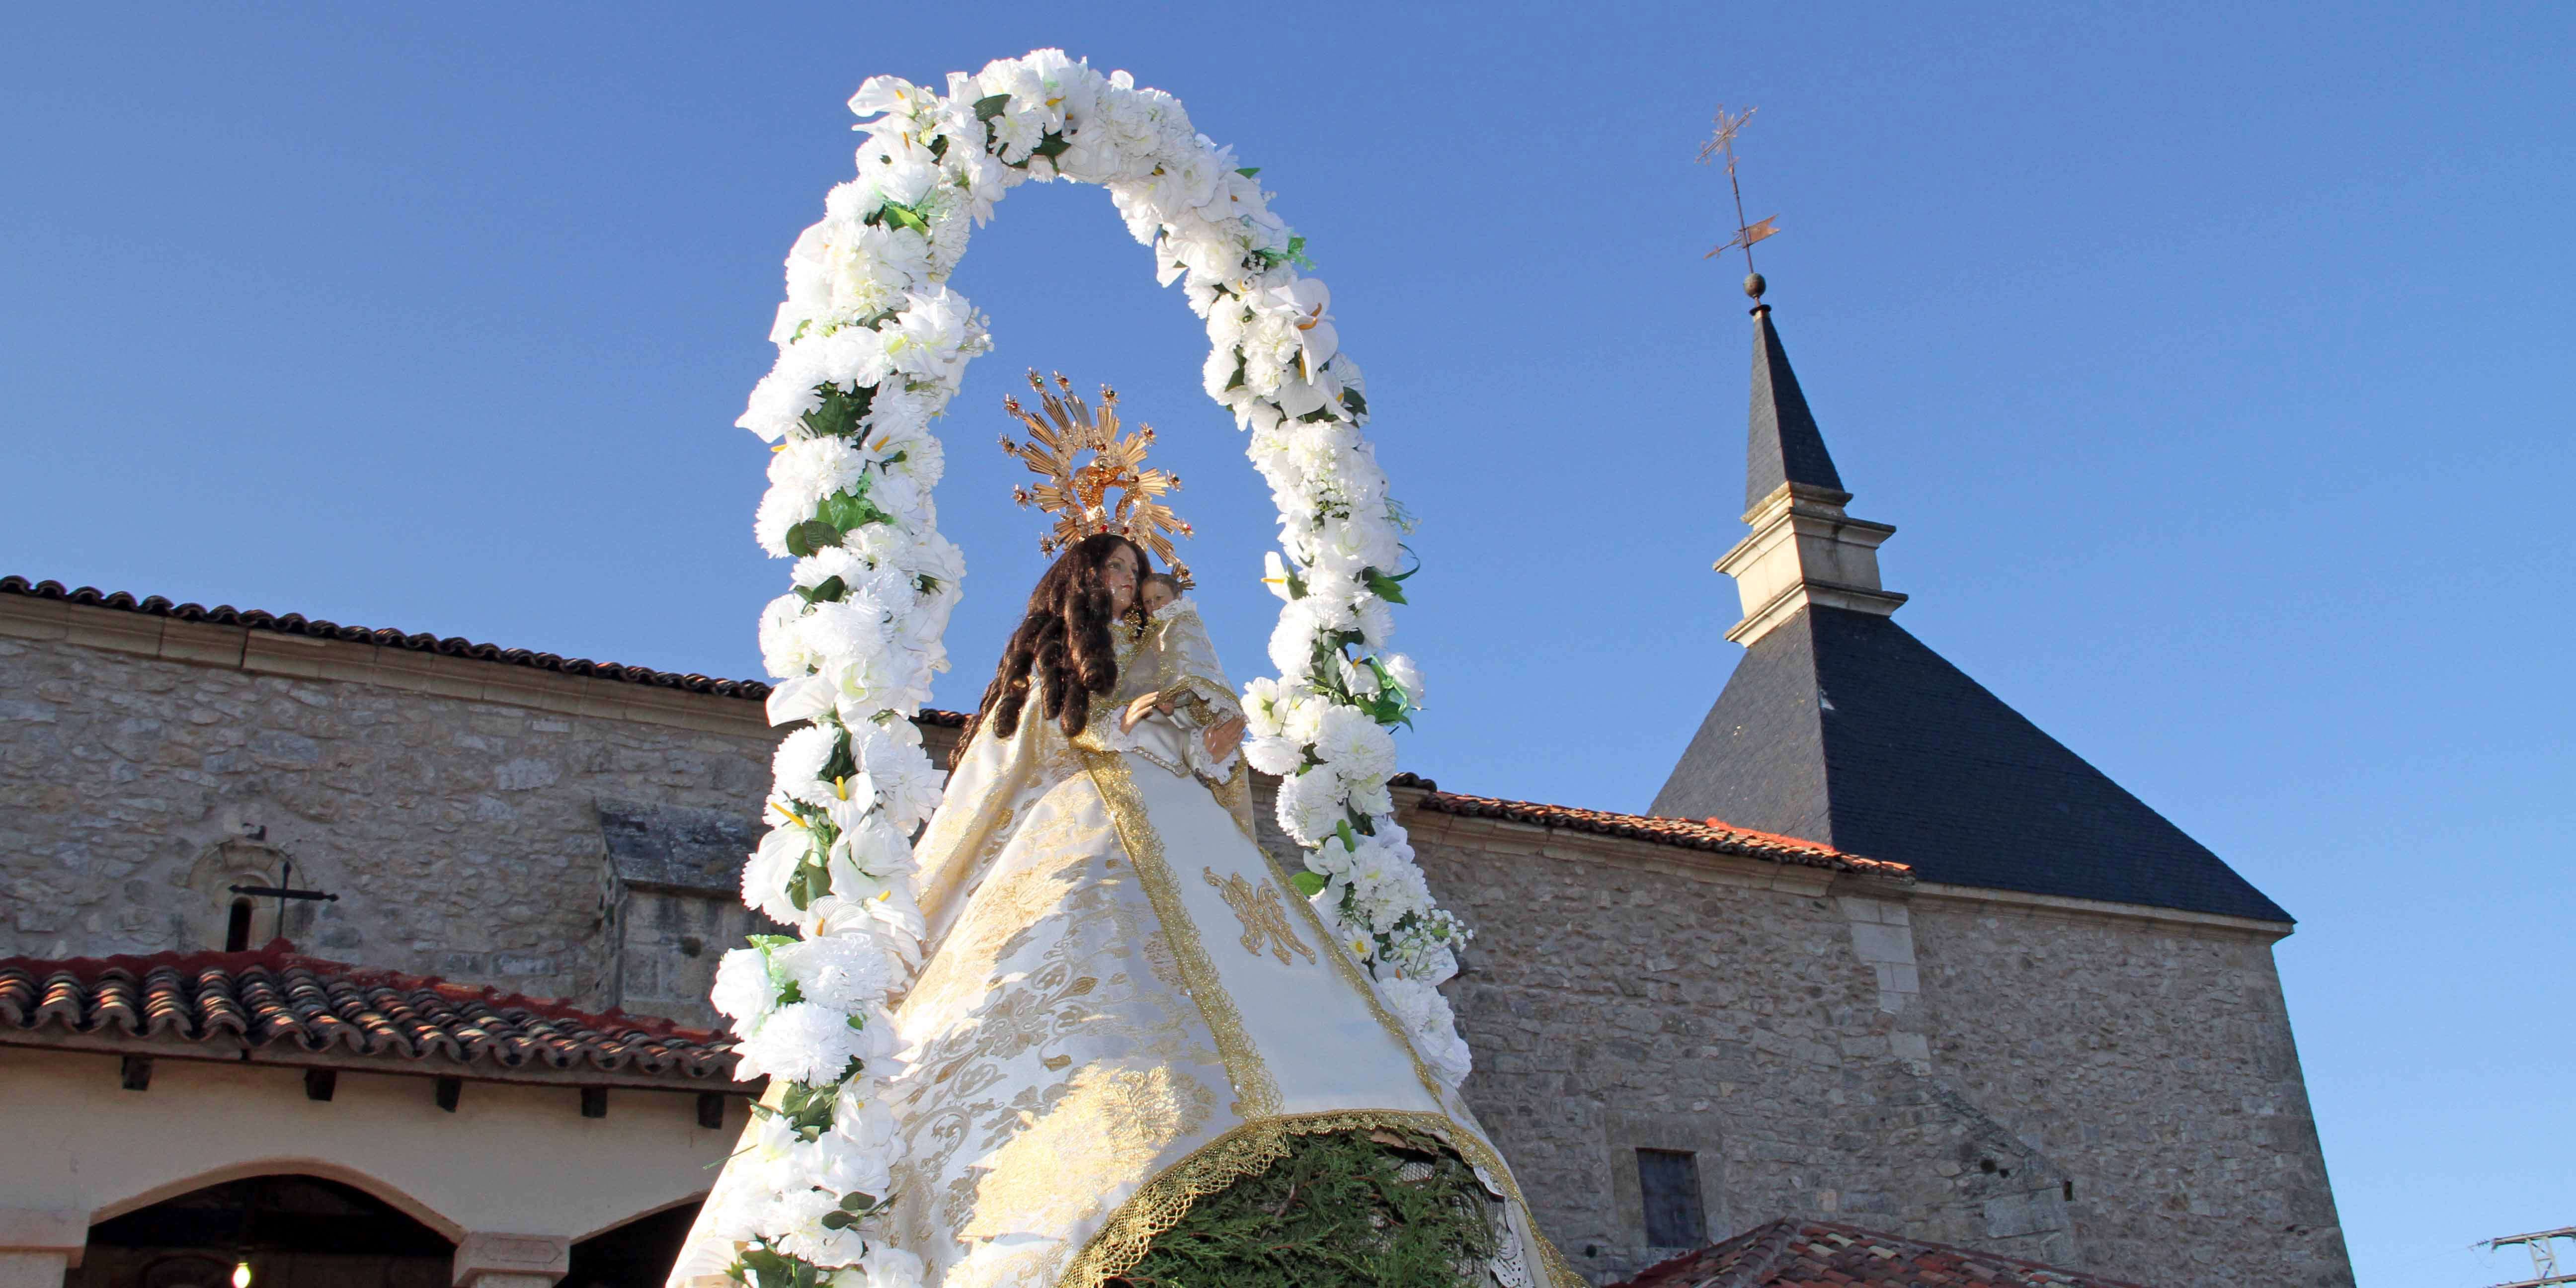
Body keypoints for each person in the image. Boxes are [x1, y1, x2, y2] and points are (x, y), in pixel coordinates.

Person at [872, 533, 1572, 1288]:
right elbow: (1025, 747)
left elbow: (1201, 741)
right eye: (1114, 568)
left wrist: (1199, 710)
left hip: (1183, 828)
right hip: (1085, 831)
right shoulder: (1052, 655)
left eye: (1136, 571)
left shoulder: (1158, 643)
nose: (1127, 581)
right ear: (1079, 577)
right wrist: (1114, 726)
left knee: (1263, 981)